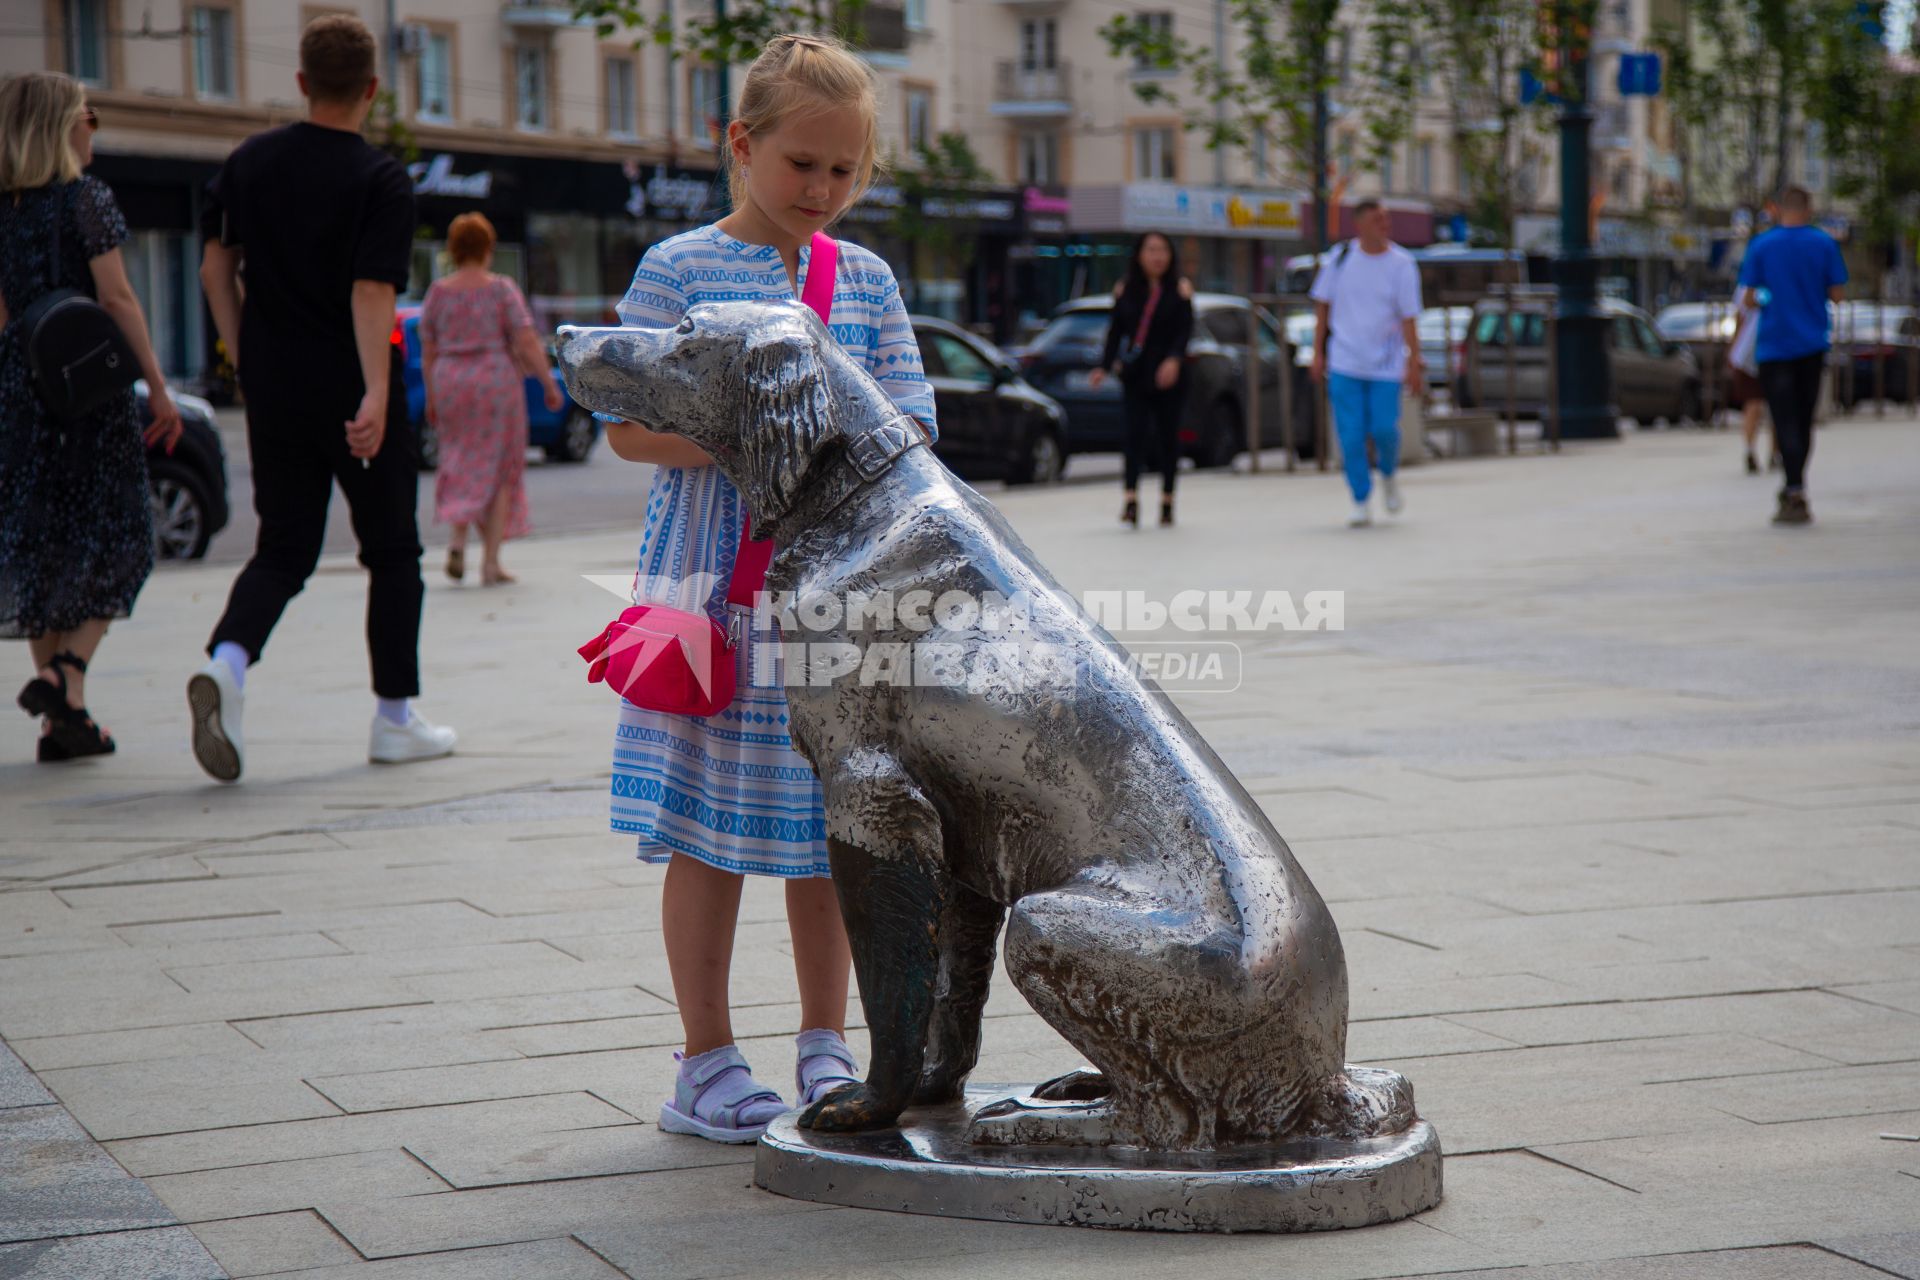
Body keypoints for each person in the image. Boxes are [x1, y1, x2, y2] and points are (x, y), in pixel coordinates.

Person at [605, 32, 936, 1144]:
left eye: (846, 171)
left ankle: (824, 1042)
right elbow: (629, 425)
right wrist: (757, 438)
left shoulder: (869, 278)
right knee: (704, 827)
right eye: (803, 164)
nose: (824, 190)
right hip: (709, 591)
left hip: (837, 603)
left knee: (832, 823)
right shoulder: (679, 269)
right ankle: (702, 1058)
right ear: (738, 145)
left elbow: (913, 426)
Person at [191, 14, 456, 781]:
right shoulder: (380, 178)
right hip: (351, 386)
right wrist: (377, 392)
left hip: (274, 385)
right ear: (372, 87)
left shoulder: (247, 163)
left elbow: (216, 271)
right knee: (393, 552)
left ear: (302, 82)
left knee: (284, 547)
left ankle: (229, 662)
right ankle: (395, 719)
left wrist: (246, 361)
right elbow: (371, 290)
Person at [0, 72, 180, 762]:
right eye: (86, 115)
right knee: (125, 535)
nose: (93, 126)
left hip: (19, 389)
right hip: (88, 394)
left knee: (44, 549)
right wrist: (158, 389)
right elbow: (119, 300)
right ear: (59, 126)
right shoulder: (87, 199)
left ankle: (65, 722)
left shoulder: (3, 209)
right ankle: (64, 673)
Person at [420, 212, 559, 587]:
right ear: (488, 247)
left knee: (457, 457)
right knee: (499, 468)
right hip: (494, 380)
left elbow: (428, 349)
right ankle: (491, 563)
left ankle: (457, 539)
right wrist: (548, 383)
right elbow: (526, 339)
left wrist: (433, 396)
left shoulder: (438, 293)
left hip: (450, 379)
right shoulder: (500, 288)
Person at [1736, 186, 1847, 526]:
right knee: (1803, 416)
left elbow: (1749, 298)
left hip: (1773, 345)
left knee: (1782, 417)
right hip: (1811, 343)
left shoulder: (1762, 245)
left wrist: (1772, 297)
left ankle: (1792, 486)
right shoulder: (1824, 244)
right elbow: (1838, 294)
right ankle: (1797, 485)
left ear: (1776, 209)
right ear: (1809, 208)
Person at [1310, 200, 1424, 527]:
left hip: (1385, 366)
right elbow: (1322, 306)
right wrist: (1317, 352)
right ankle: (1360, 498)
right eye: (1377, 219)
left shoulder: (1402, 264)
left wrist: (1413, 362)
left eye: (1387, 218)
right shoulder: (1340, 259)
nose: (1385, 224)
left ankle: (1388, 474)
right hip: (1345, 362)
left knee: (1385, 430)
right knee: (1350, 436)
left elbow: (1409, 317)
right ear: (1359, 223)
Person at [1088, 232, 1194, 528]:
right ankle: (1131, 499)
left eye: (1163, 250)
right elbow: (1115, 332)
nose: (1157, 256)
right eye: (1151, 250)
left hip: (1170, 375)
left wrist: (1174, 359)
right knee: (1134, 435)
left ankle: (1167, 500)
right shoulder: (1126, 290)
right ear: (1139, 255)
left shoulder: (1180, 290)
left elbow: (1185, 332)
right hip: (1135, 374)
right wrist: (1104, 366)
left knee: (1167, 437)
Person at [1725, 295, 1772, 474]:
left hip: (1750, 354)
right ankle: (1774, 453)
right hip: (1769, 353)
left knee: (1753, 403)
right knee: (1775, 406)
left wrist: (1733, 349)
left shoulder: (1749, 285)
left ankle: (1750, 448)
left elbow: (1739, 317)